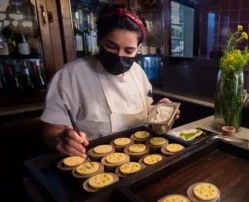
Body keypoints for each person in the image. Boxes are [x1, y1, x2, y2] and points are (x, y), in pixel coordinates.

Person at [41, 5, 179, 157]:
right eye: (111, 46)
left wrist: (159, 112)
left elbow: (145, 108)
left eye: (129, 51)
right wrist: (61, 138)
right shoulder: (70, 75)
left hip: (140, 153)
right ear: (99, 40)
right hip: (91, 158)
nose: (119, 56)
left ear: (138, 48)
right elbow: (50, 130)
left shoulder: (138, 72)